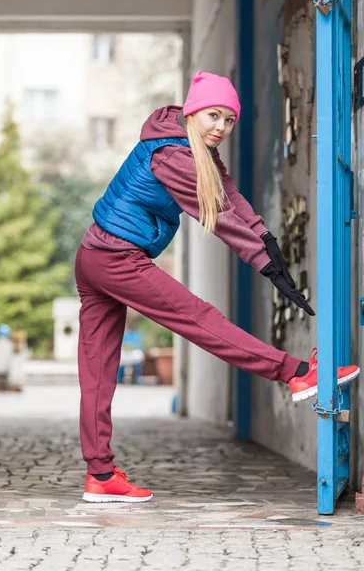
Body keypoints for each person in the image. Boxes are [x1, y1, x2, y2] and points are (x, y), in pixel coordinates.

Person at [75, 71, 360, 504]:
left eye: (229, 120)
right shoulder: (175, 157)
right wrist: (266, 262)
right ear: (191, 111)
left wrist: (266, 241)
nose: (220, 128)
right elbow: (218, 214)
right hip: (116, 257)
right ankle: (297, 373)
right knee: (199, 318)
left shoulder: (187, 148)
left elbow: (229, 195)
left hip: (94, 254)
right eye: (213, 115)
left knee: (98, 371)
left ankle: (100, 474)